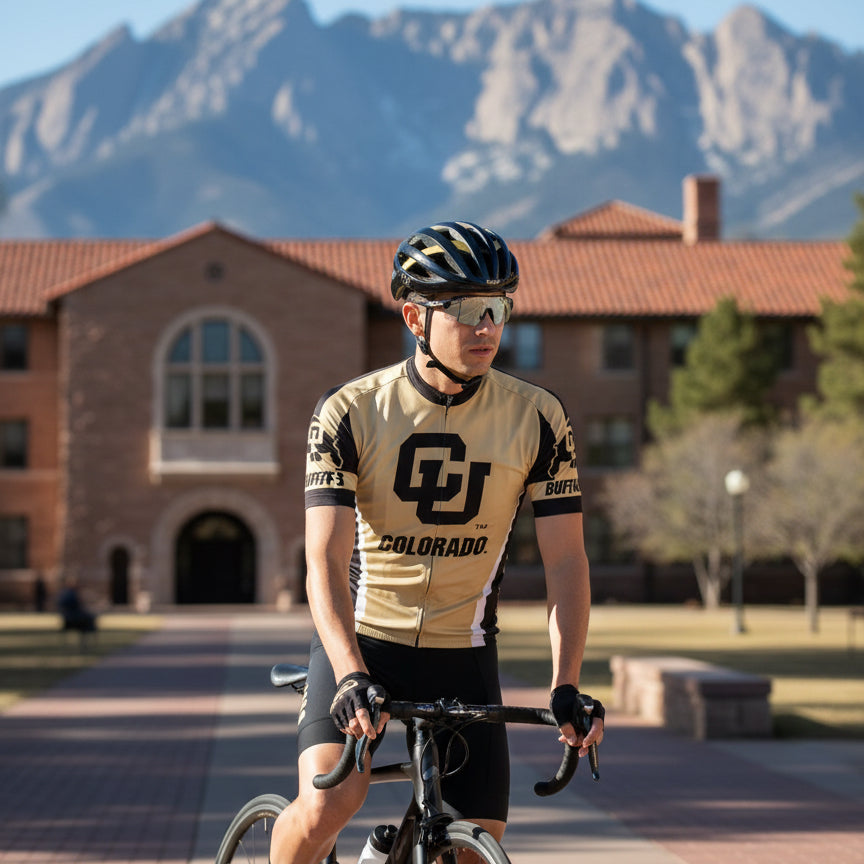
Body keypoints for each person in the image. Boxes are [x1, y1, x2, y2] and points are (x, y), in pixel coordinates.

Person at [271, 220, 604, 863]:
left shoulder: (538, 417)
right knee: (327, 804)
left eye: (498, 307)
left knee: (478, 847)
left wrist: (567, 684)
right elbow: (325, 559)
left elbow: (566, 560)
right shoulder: (350, 411)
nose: (487, 327)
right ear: (413, 317)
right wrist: (348, 674)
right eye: (465, 310)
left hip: (465, 648)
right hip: (363, 643)